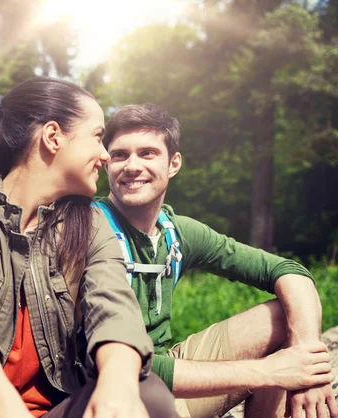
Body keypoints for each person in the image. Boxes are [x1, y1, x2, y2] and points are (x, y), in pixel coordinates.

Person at [0, 78, 177, 418]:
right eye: (97, 136)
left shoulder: (91, 225)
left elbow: (115, 310)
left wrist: (117, 388)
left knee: (150, 395)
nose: (106, 156)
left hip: (58, 407)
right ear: (53, 137)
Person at [98, 103, 337, 418]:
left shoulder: (176, 232)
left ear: (174, 164)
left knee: (285, 315)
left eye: (147, 153)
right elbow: (117, 363)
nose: (131, 165)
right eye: (119, 155)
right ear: (106, 165)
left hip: (165, 376)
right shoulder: (88, 227)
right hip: (114, 388)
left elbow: (288, 270)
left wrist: (306, 368)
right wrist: (268, 371)